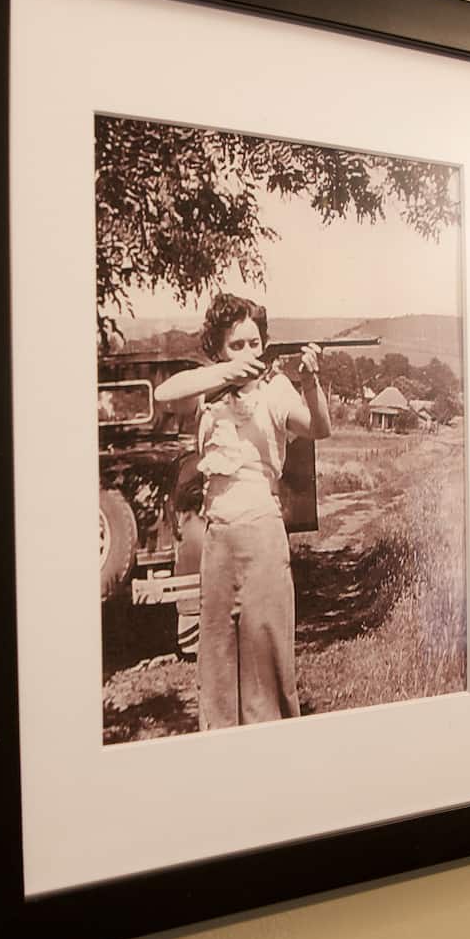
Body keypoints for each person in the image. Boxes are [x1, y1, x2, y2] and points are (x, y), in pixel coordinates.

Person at [154, 293, 331, 731]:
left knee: (265, 663)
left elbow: (319, 428)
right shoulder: (206, 389)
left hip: (261, 535)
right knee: (216, 661)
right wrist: (226, 373)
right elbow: (163, 394)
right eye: (236, 345)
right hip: (217, 539)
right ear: (218, 350)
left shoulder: (275, 389)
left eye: (255, 343)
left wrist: (310, 382)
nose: (249, 352)